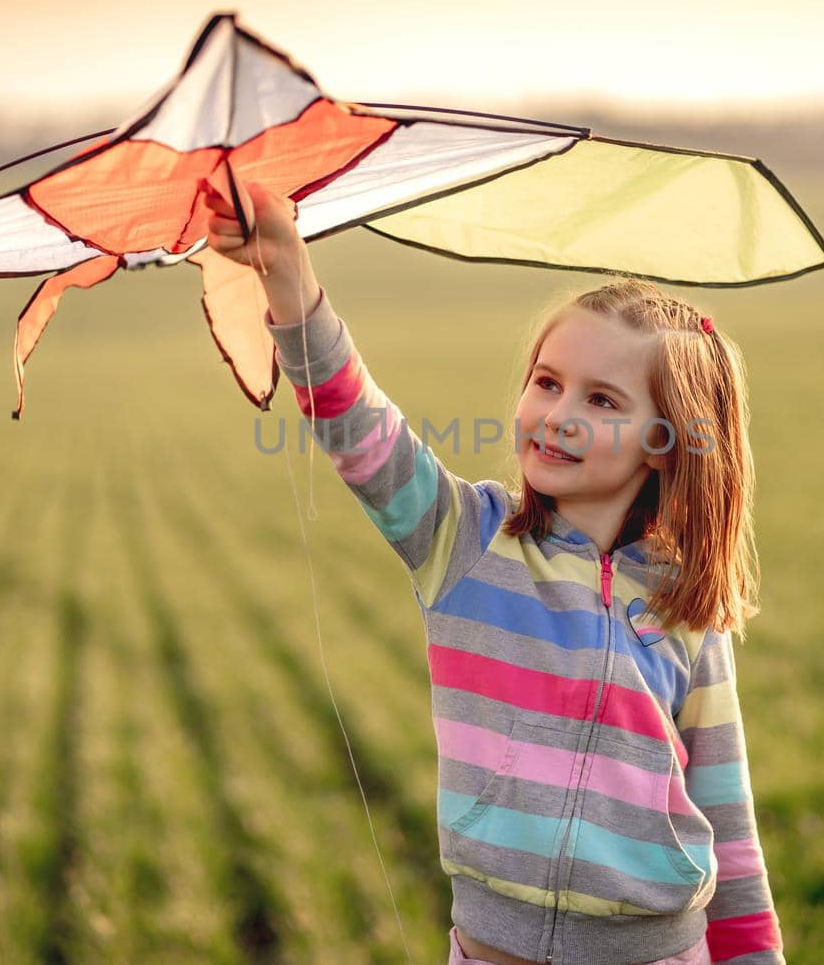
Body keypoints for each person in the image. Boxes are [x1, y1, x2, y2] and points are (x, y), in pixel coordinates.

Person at [207, 179, 786, 965]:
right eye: (546, 382)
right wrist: (288, 276)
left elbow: (732, 831)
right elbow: (357, 424)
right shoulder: (465, 539)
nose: (557, 413)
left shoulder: (688, 611)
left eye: (602, 398)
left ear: (663, 440)